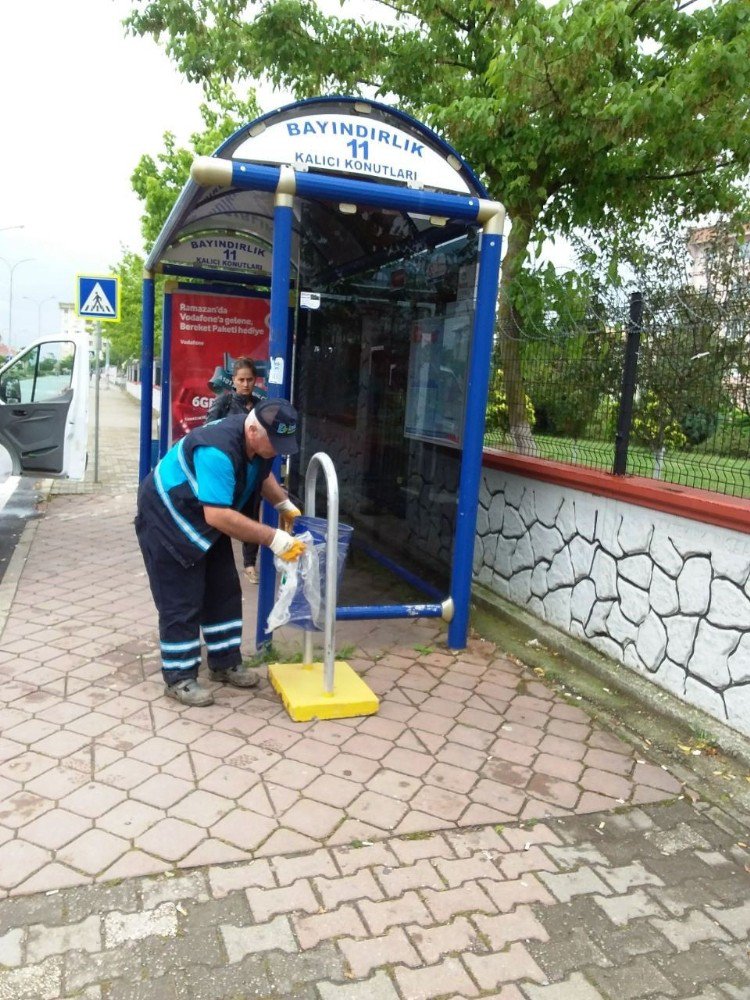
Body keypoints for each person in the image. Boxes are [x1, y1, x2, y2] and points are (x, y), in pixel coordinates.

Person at [135, 398, 303, 708]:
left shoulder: (256, 442)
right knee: (181, 599)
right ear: (252, 429)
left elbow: (262, 474)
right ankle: (180, 677)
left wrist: (284, 504)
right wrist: (273, 538)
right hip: (168, 518)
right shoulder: (217, 450)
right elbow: (218, 517)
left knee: (223, 588)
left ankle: (225, 663)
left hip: (204, 516)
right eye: (275, 442)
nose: (278, 450)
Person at [206, 358, 265, 582]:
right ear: (233, 380)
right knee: (220, 513)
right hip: (227, 470)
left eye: (250, 380)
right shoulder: (224, 402)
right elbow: (208, 431)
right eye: (241, 379)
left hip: (252, 469)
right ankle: (213, 562)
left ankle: (250, 564)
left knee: (251, 514)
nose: (246, 384)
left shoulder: (260, 405)